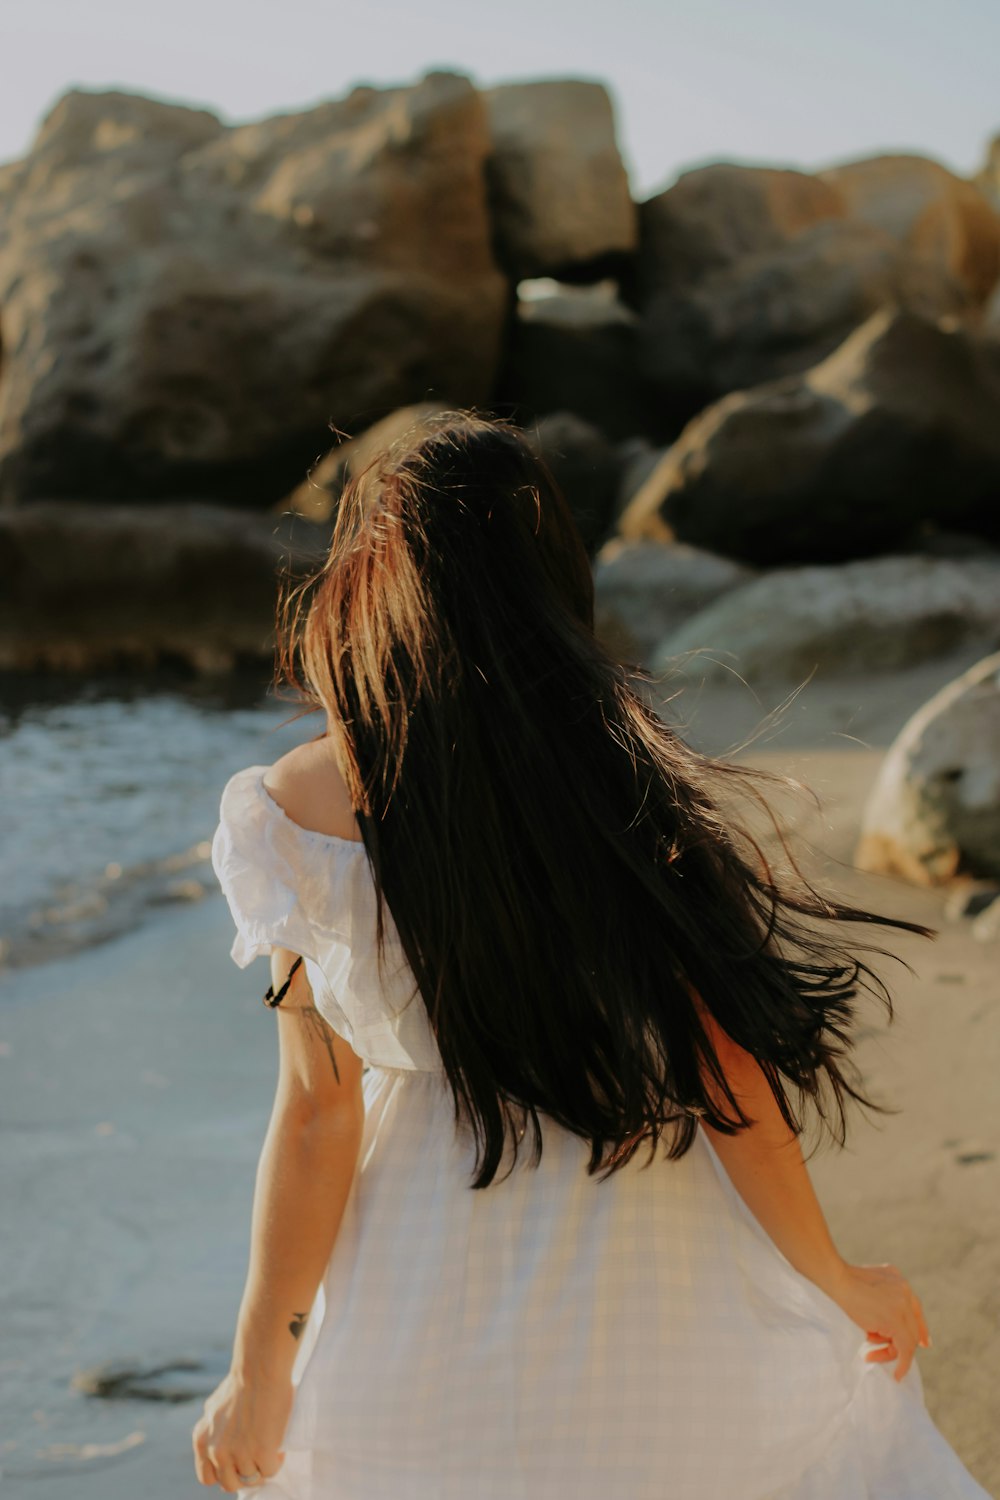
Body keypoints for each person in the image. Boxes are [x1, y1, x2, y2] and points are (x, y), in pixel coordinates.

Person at [193, 410, 990, 1499]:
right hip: (650, 1276)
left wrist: (259, 1371)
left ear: (366, 590)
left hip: (418, 1291)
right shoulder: (623, 787)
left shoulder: (295, 808)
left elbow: (317, 1112)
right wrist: (832, 1277)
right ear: (550, 581)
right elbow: (725, 1079)